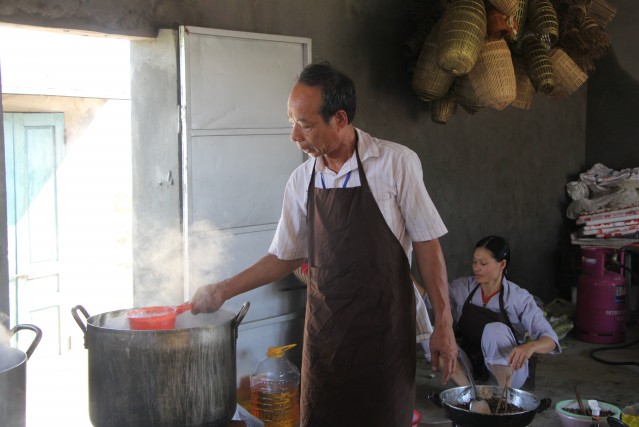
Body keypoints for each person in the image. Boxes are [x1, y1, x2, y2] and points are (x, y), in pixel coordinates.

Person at [190, 61, 457, 426]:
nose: (294, 136)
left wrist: (444, 323)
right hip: (325, 340)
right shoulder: (301, 180)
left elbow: (427, 243)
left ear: (340, 119)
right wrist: (222, 290)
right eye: (292, 122)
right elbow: (284, 256)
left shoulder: (396, 164)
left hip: (385, 338)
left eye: (305, 124)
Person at [447, 235, 561, 389]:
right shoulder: (464, 287)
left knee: (494, 330)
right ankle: (470, 393)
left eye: (483, 263)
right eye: (474, 261)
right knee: (434, 336)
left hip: (510, 372)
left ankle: (505, 396)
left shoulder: (518, 298)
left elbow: (551, 340)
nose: (476, 268)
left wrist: (529, 347)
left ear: (502, 264)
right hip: (471, 368)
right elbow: (429, 297)